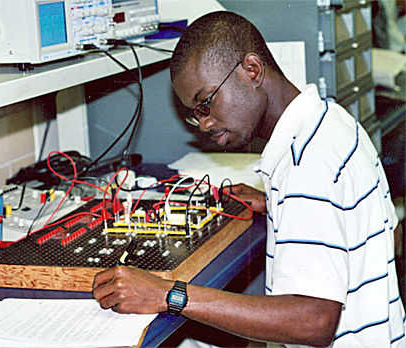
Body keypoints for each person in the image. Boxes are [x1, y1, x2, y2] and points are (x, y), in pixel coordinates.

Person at [92, 11, 405, 347]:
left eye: (206, 103)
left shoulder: (306, 163)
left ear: (252, 70)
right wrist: (279, 205)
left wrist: (169, 294)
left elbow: (314, 320)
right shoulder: (331, 121)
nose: (205, 124)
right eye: (195, 115)